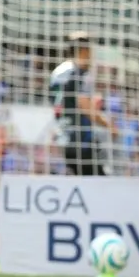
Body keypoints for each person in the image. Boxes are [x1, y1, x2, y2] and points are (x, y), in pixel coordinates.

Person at [51, 31, 114, 176]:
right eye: (91, 50)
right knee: (99, 184)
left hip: (62, 137)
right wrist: (109, 125)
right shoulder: (80, 73)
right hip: (81, 140)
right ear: (84, 50)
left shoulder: (57, 72)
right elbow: (84, 106)